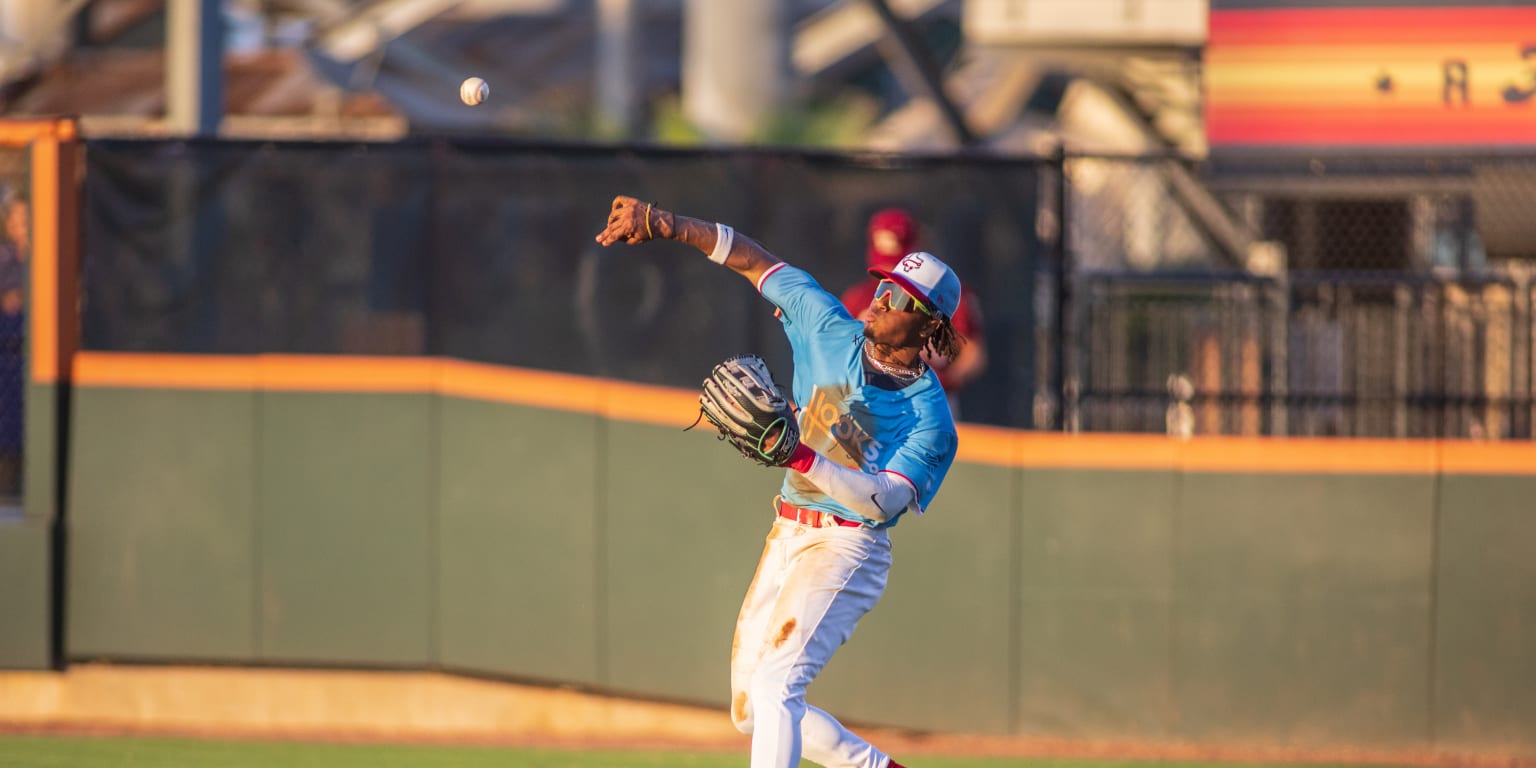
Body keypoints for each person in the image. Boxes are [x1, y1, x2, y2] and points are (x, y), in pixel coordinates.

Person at [595, 196, 962, 768]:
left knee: (775, 691)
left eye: (901, 298)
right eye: (884, 286)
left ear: (930, 324)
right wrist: (664, 223)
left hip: (849, 547)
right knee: (752, 707)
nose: (882, 298)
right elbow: (751, 259)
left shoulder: (930, 417)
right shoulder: (826, 323)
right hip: (788, 530)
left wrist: (801, 455)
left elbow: (883, 500)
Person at [839, 208, 987, 417]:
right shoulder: (858, 296)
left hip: (930, 406)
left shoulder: (945, 296)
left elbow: (974, 354)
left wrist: (942, 382)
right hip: (869, 399)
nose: (888, 264)